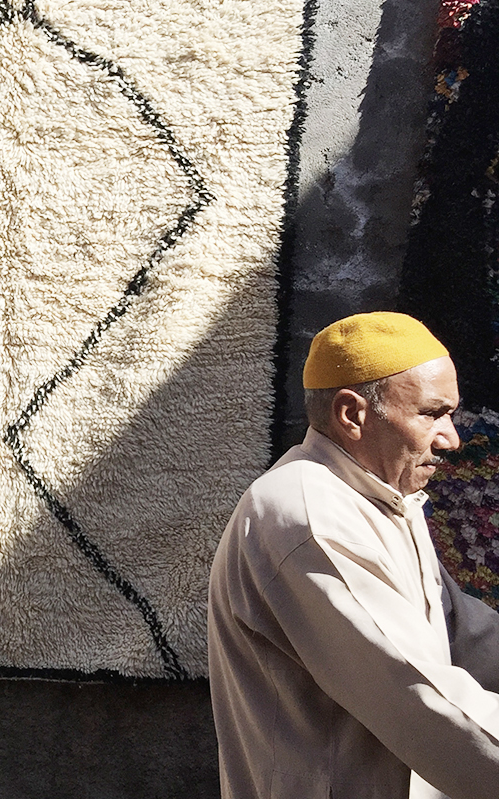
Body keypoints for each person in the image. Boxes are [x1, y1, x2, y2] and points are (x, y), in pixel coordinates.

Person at [208, 312, 499, 799]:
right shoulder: (309, 514)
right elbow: (417, 694)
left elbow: (462, 633)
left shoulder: (374, 502)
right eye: (432, 413)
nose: (451, 438)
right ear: (352, 414)